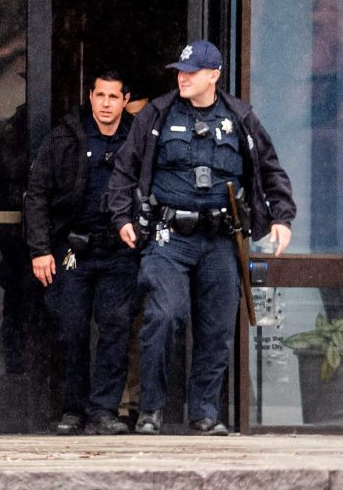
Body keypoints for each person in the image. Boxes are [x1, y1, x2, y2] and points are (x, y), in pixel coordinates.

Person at [109, 40, 295, 436]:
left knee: (216, 328)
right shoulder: (157, 114)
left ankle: (204, 412)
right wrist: (122, 217)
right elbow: (125, 169)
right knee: (164, 316)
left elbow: (269, 168)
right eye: (180, 71)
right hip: (169, 237)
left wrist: (282, 216)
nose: (183, 78)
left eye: (192, 72)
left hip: (221, 239)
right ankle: (151, 409)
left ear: (214, 75)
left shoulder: (240, 117)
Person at [25, 70, 138, 435]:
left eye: (113, 96)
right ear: (90, 97)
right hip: (74, 249)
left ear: (125, 100)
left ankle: (104, 410)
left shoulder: (137, 138)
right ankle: (73, 409)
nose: (105, 103)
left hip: (120, 251)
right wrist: (40, 249)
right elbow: (37, 194)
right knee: (71, 329)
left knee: (115, 330)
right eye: (99, 95)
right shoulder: (65, 137)